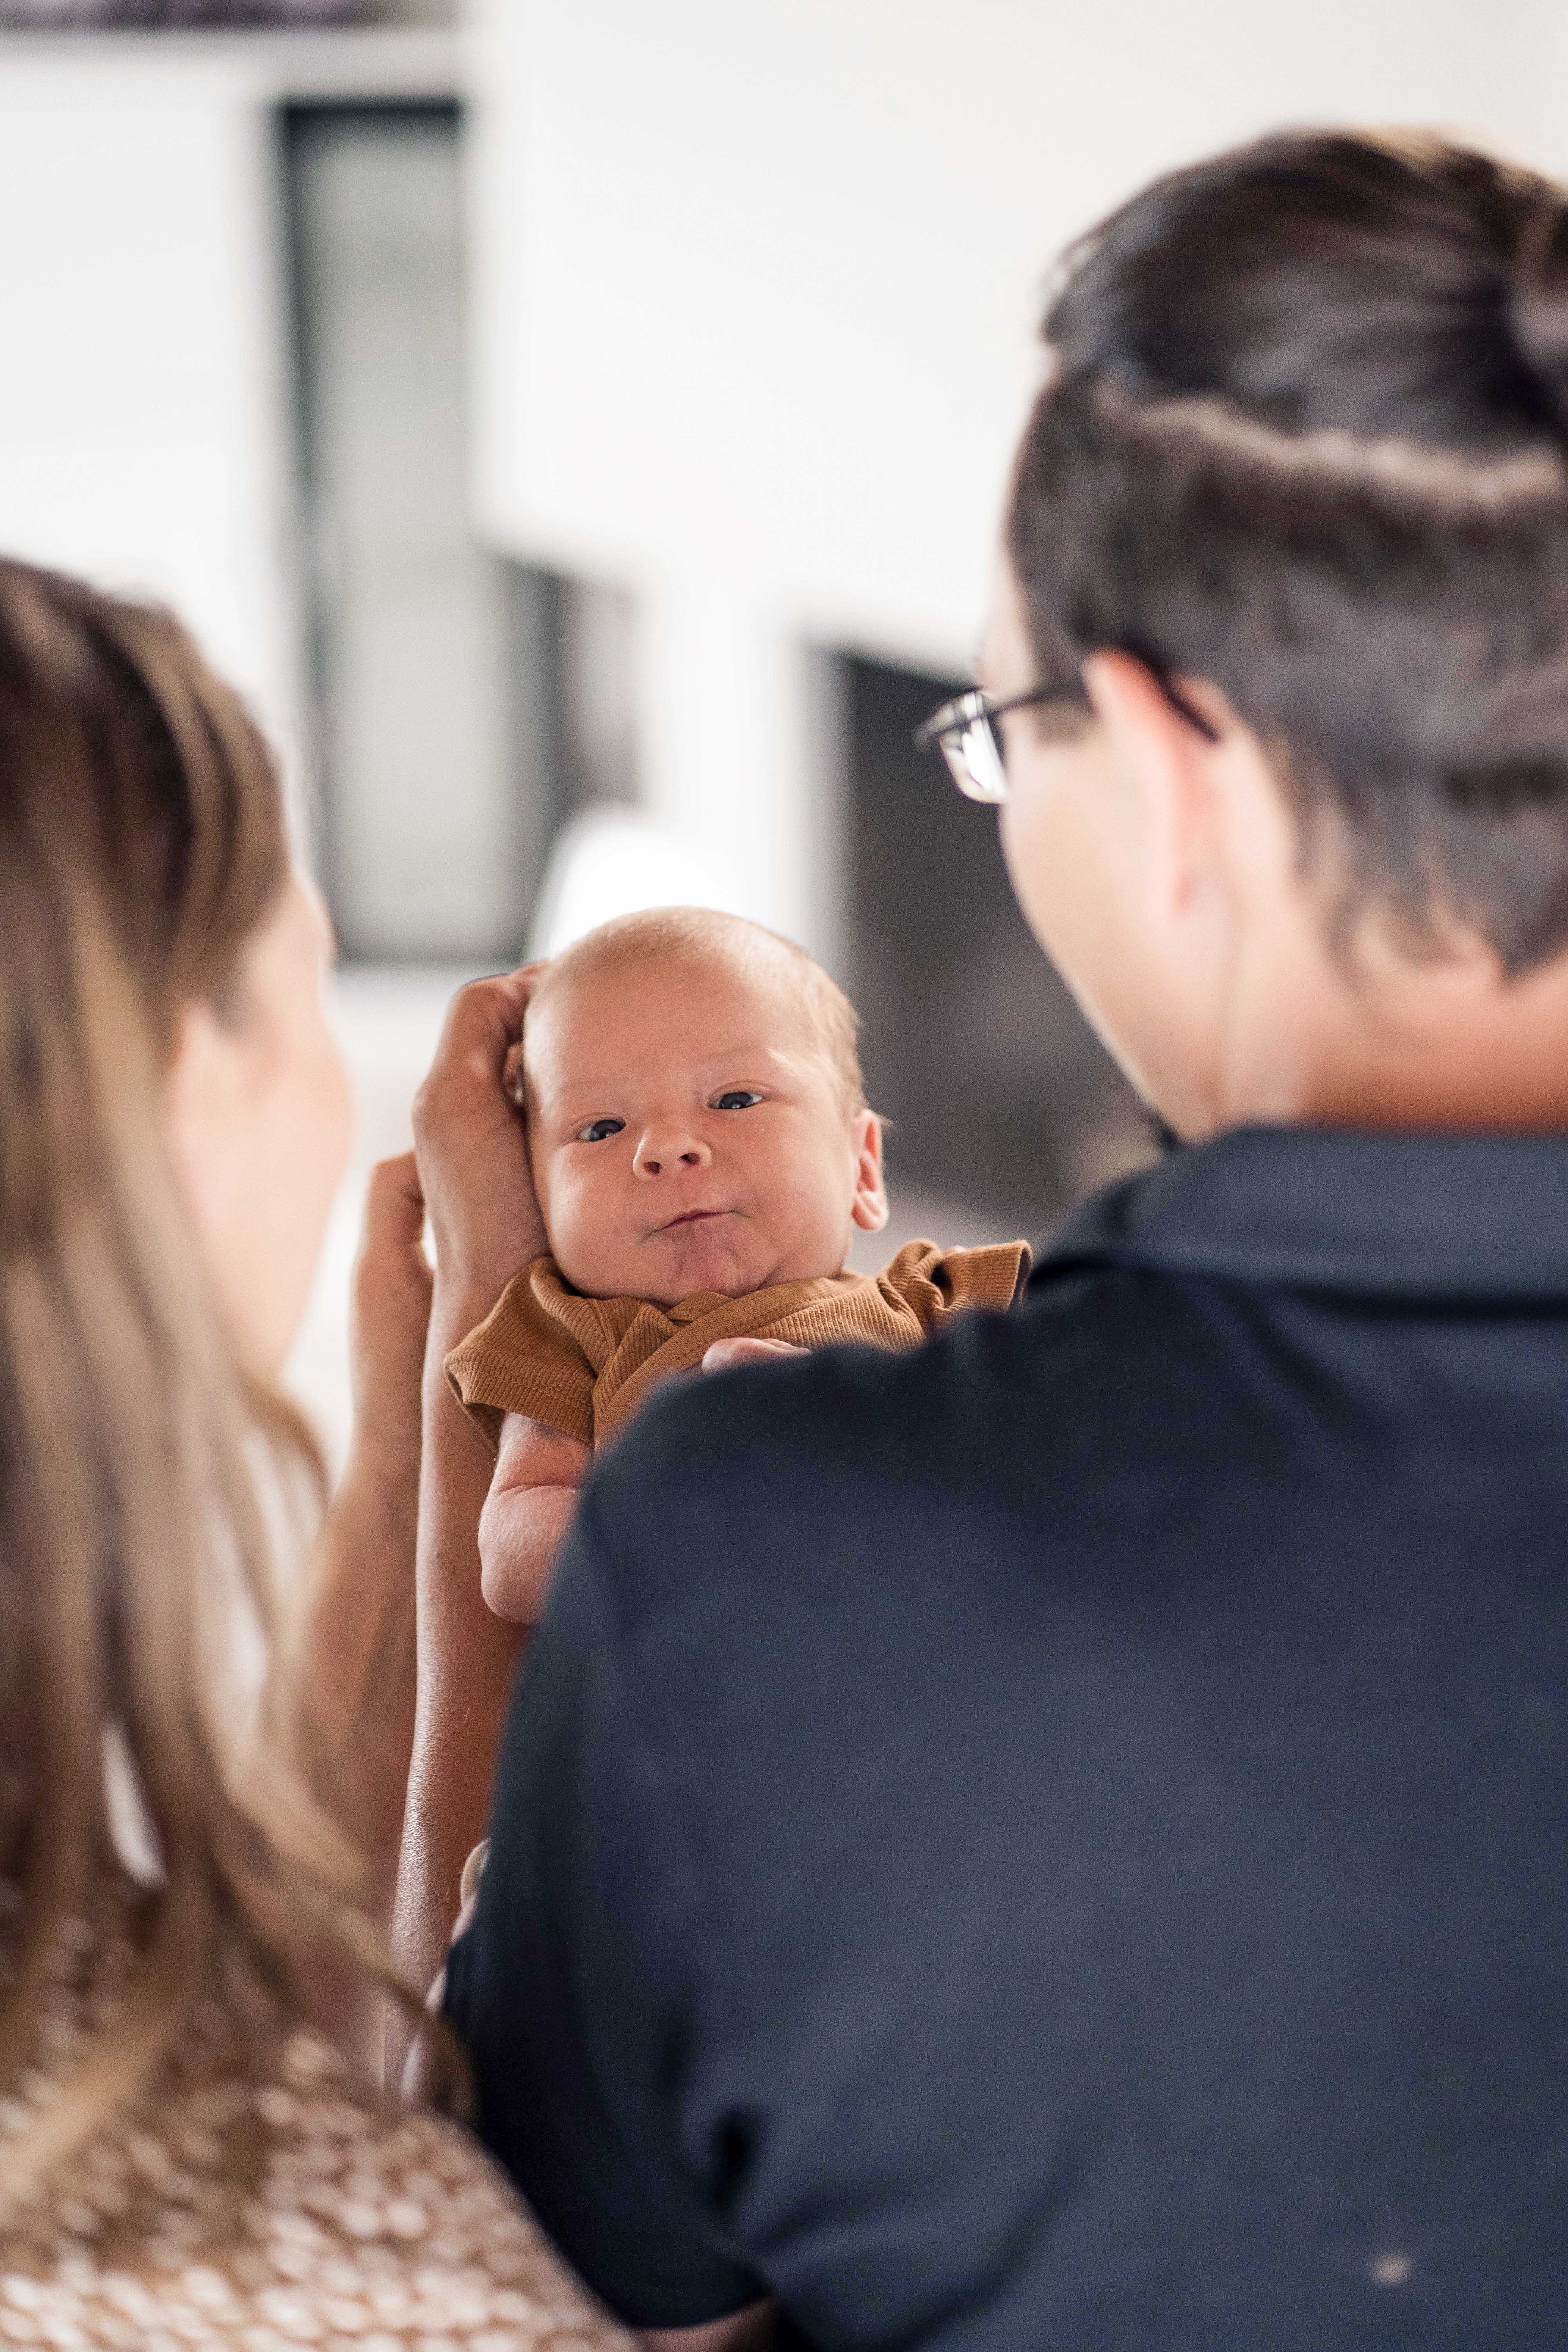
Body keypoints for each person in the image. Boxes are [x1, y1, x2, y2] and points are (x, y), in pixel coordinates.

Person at [401, 127, 1568, 2347]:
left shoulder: (776, 1571)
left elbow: (536, 2296)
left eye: (999, 734)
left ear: (1174, 769)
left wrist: (466, 1330)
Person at [0, 559, 633, 2346]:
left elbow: (180, 2002)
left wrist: (423, 1438)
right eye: (298, 955)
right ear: (173, 1081)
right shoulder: (348, 2276)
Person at [444, 907, 1027, 1624]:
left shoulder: (934, 1302)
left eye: (736, 1099)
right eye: (601, 1128)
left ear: (864, 1169)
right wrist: (693, 1516)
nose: (665, 1147)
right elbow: (510, 1553)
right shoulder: (572, 1332)